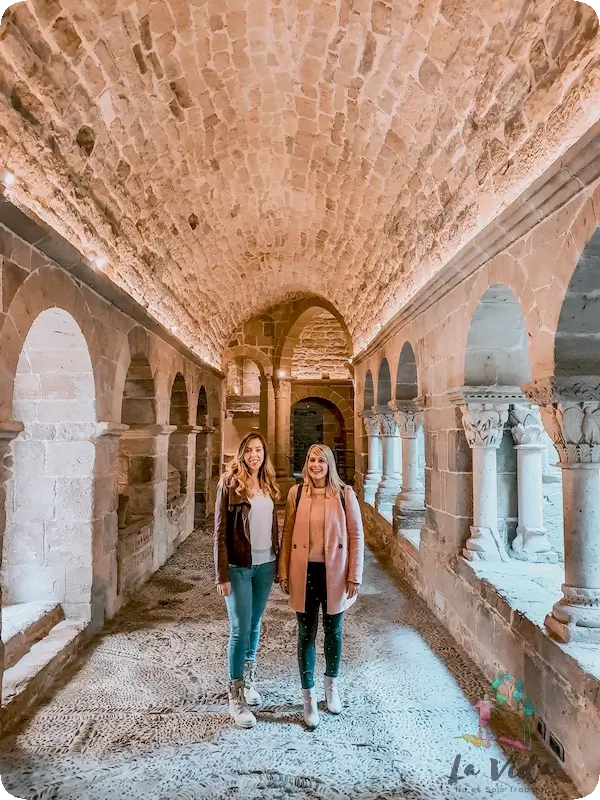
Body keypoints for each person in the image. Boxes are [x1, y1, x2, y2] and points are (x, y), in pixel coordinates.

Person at [278, 443, 364, 730]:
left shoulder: (344, 494)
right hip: (304, 571)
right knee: (306, 633)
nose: (316, 465)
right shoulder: (297, 493)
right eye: (312, 460)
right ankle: (308, 698)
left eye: (321, 461)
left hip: (335, 573)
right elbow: (287, 531)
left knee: (333, 630)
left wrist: (355, 575)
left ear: (330, 465)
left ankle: (331, 687)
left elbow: (355, 536)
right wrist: (283, 570)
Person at [214, 432, 280, 729]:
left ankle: (249, 679)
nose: (255, 455)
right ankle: (235, 695)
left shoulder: (267, 484)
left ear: (264, 454)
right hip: (239, 565)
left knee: (255, 623)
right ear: (242, 453)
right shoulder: (230, 484)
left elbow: (272, 525)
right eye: (250, 450)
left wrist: (277, 561)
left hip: (265, 564)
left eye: (259, 450)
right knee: (240, 629)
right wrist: (221, 575)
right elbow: (219, 532)